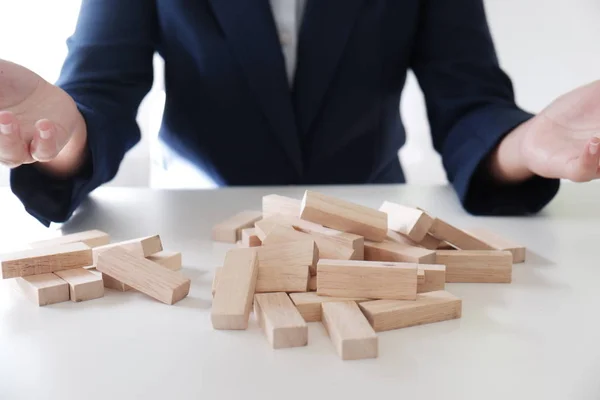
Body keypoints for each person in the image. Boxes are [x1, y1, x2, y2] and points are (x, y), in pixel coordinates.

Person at [0, 0, 598, 227]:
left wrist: (523, 145)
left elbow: (470, 103)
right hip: (198, 221)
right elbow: (100, 90)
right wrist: (63, 134)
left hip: (366, 218)